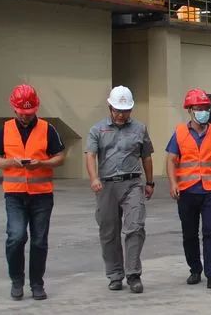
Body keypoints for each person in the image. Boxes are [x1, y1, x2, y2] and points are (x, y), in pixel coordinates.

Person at [0, 84, 65, 301]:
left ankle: (37, 284)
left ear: (36, 109)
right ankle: (16, 280)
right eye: (22, 113)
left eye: (29, 113)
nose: (25, 116)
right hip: (14, 195)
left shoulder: (47, 129)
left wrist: (41, 163)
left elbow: (60, 157)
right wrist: (10, 162)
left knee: (39, 241)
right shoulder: (5, 130)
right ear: (14, 109)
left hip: (41, 195)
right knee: (16, 237)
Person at [85, 86, 155, 293]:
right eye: (117, 110)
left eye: (126, 111)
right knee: (109, 231)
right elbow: (90, 155)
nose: (121, 115)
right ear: (110, 107)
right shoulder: (97, 130)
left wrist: (150, 182)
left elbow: (147, 156)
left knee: (135, 227)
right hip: (106, 185)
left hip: (132, 183)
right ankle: (115, 275)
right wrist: (94, 178)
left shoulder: (140, 129)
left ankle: (133, 274)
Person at [166, 88, 211, 289]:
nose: (203, 112)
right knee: (190, 234)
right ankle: (195, 269)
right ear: (190, 110)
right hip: (187, 191)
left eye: (206, 108)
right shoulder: (180, 132)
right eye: (199, 108)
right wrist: (173, 183)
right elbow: (171, 160)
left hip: (210, 191)